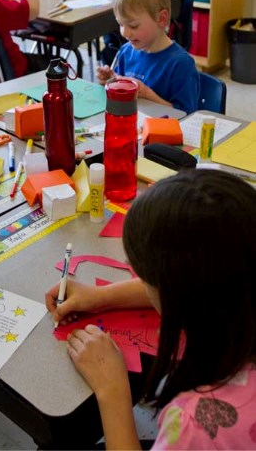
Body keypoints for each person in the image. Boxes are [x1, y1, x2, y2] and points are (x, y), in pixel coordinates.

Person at [46, 169, 256, 450]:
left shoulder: (197, 422)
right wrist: (100, 296)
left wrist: (113, 392)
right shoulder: (239, 280)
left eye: (144, 277)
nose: (140, 282)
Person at [96, 0, 200, 115]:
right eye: (121, 24)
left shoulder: (181, 64)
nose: (125, 33)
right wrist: (111, 80)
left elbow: (186, 116)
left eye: (133, 26)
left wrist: (146, 93)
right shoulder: (126, 52)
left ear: (161, 19)